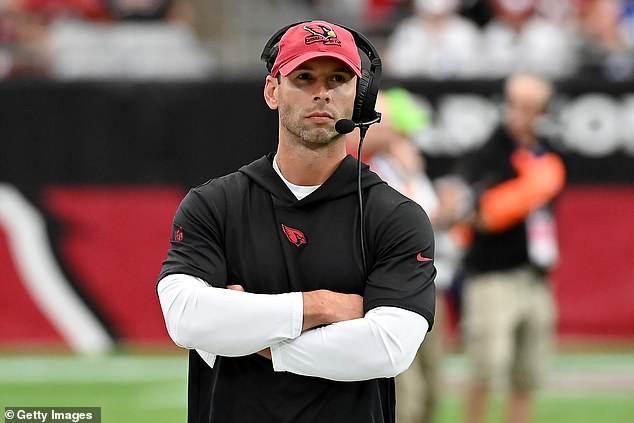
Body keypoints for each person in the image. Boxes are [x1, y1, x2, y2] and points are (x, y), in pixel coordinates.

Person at [156, 20, 436, 423]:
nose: (321, 91)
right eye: (303, 77)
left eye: (338, 78)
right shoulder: (214, 204)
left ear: (359, 97)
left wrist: (258, 339)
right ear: (273, 90)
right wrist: (318, 306)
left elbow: (389, 346)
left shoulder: (396, 216)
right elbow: (186, 318)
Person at [458, 72, 566, 423]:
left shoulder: (546, 151)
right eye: (516, 105)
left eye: (530, 108)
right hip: (493, 277)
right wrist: (531, 188)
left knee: (527, 376)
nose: (520, 114)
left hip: (534, 275)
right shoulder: (490, 151)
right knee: (486, 371)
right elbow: (482, 215)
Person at [383, 0, 483, 79]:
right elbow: (396, 65)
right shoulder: (409, 29)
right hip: (416, 92)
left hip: (459, 95)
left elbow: (477, 69)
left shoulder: (466, 31)